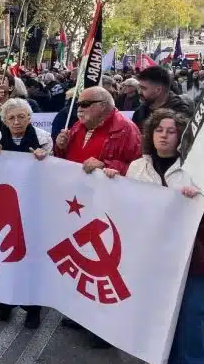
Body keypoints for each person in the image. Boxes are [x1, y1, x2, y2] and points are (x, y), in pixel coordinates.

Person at [102, 109, 204, 364]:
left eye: (171, 131)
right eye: (159, 130)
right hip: (150, 253)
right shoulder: (137, 167)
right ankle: (155, 363)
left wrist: (201, 197)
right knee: (155, 313)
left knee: (190, 315)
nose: (164, 136)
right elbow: (126, 204)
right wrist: (112, 181)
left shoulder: (196, 167)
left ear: (181, 136)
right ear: (150, 134)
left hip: (190, 255)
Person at [53, 86, 141, 348]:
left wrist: (108, 166)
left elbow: (138, 168)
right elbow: (66, 162)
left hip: (107, 209)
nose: (79, 108)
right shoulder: (78, 127)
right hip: (79, 207)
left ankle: (106, 327)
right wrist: (60, 147)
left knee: (105, 270)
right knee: (83, 266)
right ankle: (83, 316)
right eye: (78, 103)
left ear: (103, 105)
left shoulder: (125, 129)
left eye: (86, 103)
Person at [0, 97, 52, 329]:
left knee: (32, 256)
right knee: (6, 254)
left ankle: (33, 307)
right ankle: (6, 301)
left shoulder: (43, 139)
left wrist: (45, 160)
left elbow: (54, 172)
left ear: (29, 118)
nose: (16, 121)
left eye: (21, 117)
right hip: (6, 207)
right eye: (11, 117)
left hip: (34, 206)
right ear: (4, 120)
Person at [133, 66, 193, 130]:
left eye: (143, 88)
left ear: (158, 90)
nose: (139, 92)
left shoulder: (180, 113)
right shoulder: (140, 111)